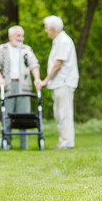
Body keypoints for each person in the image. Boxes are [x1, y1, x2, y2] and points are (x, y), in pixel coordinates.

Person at [0, 26, 41, 149]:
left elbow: (34, 65)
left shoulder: (26, 49)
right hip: (8, 85)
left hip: (23, 85)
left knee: (24, 115)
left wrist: (37, 79)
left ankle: (24, 145)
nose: (21, 38)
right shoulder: (2, 49)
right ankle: (7, 143)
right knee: (7, 115)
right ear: (10, 36)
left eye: (22, 36)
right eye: (18, 36)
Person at [40, 16, 79, 150]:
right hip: (58, 83)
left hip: (64, 82)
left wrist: (45, 80)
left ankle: (67, 142)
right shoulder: (58, 41)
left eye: (46, 28)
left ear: (52, 28)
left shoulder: (63, 41)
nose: (46, 31)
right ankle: (63, 141)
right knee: (59, 113)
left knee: (64, 113)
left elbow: (58, 64)